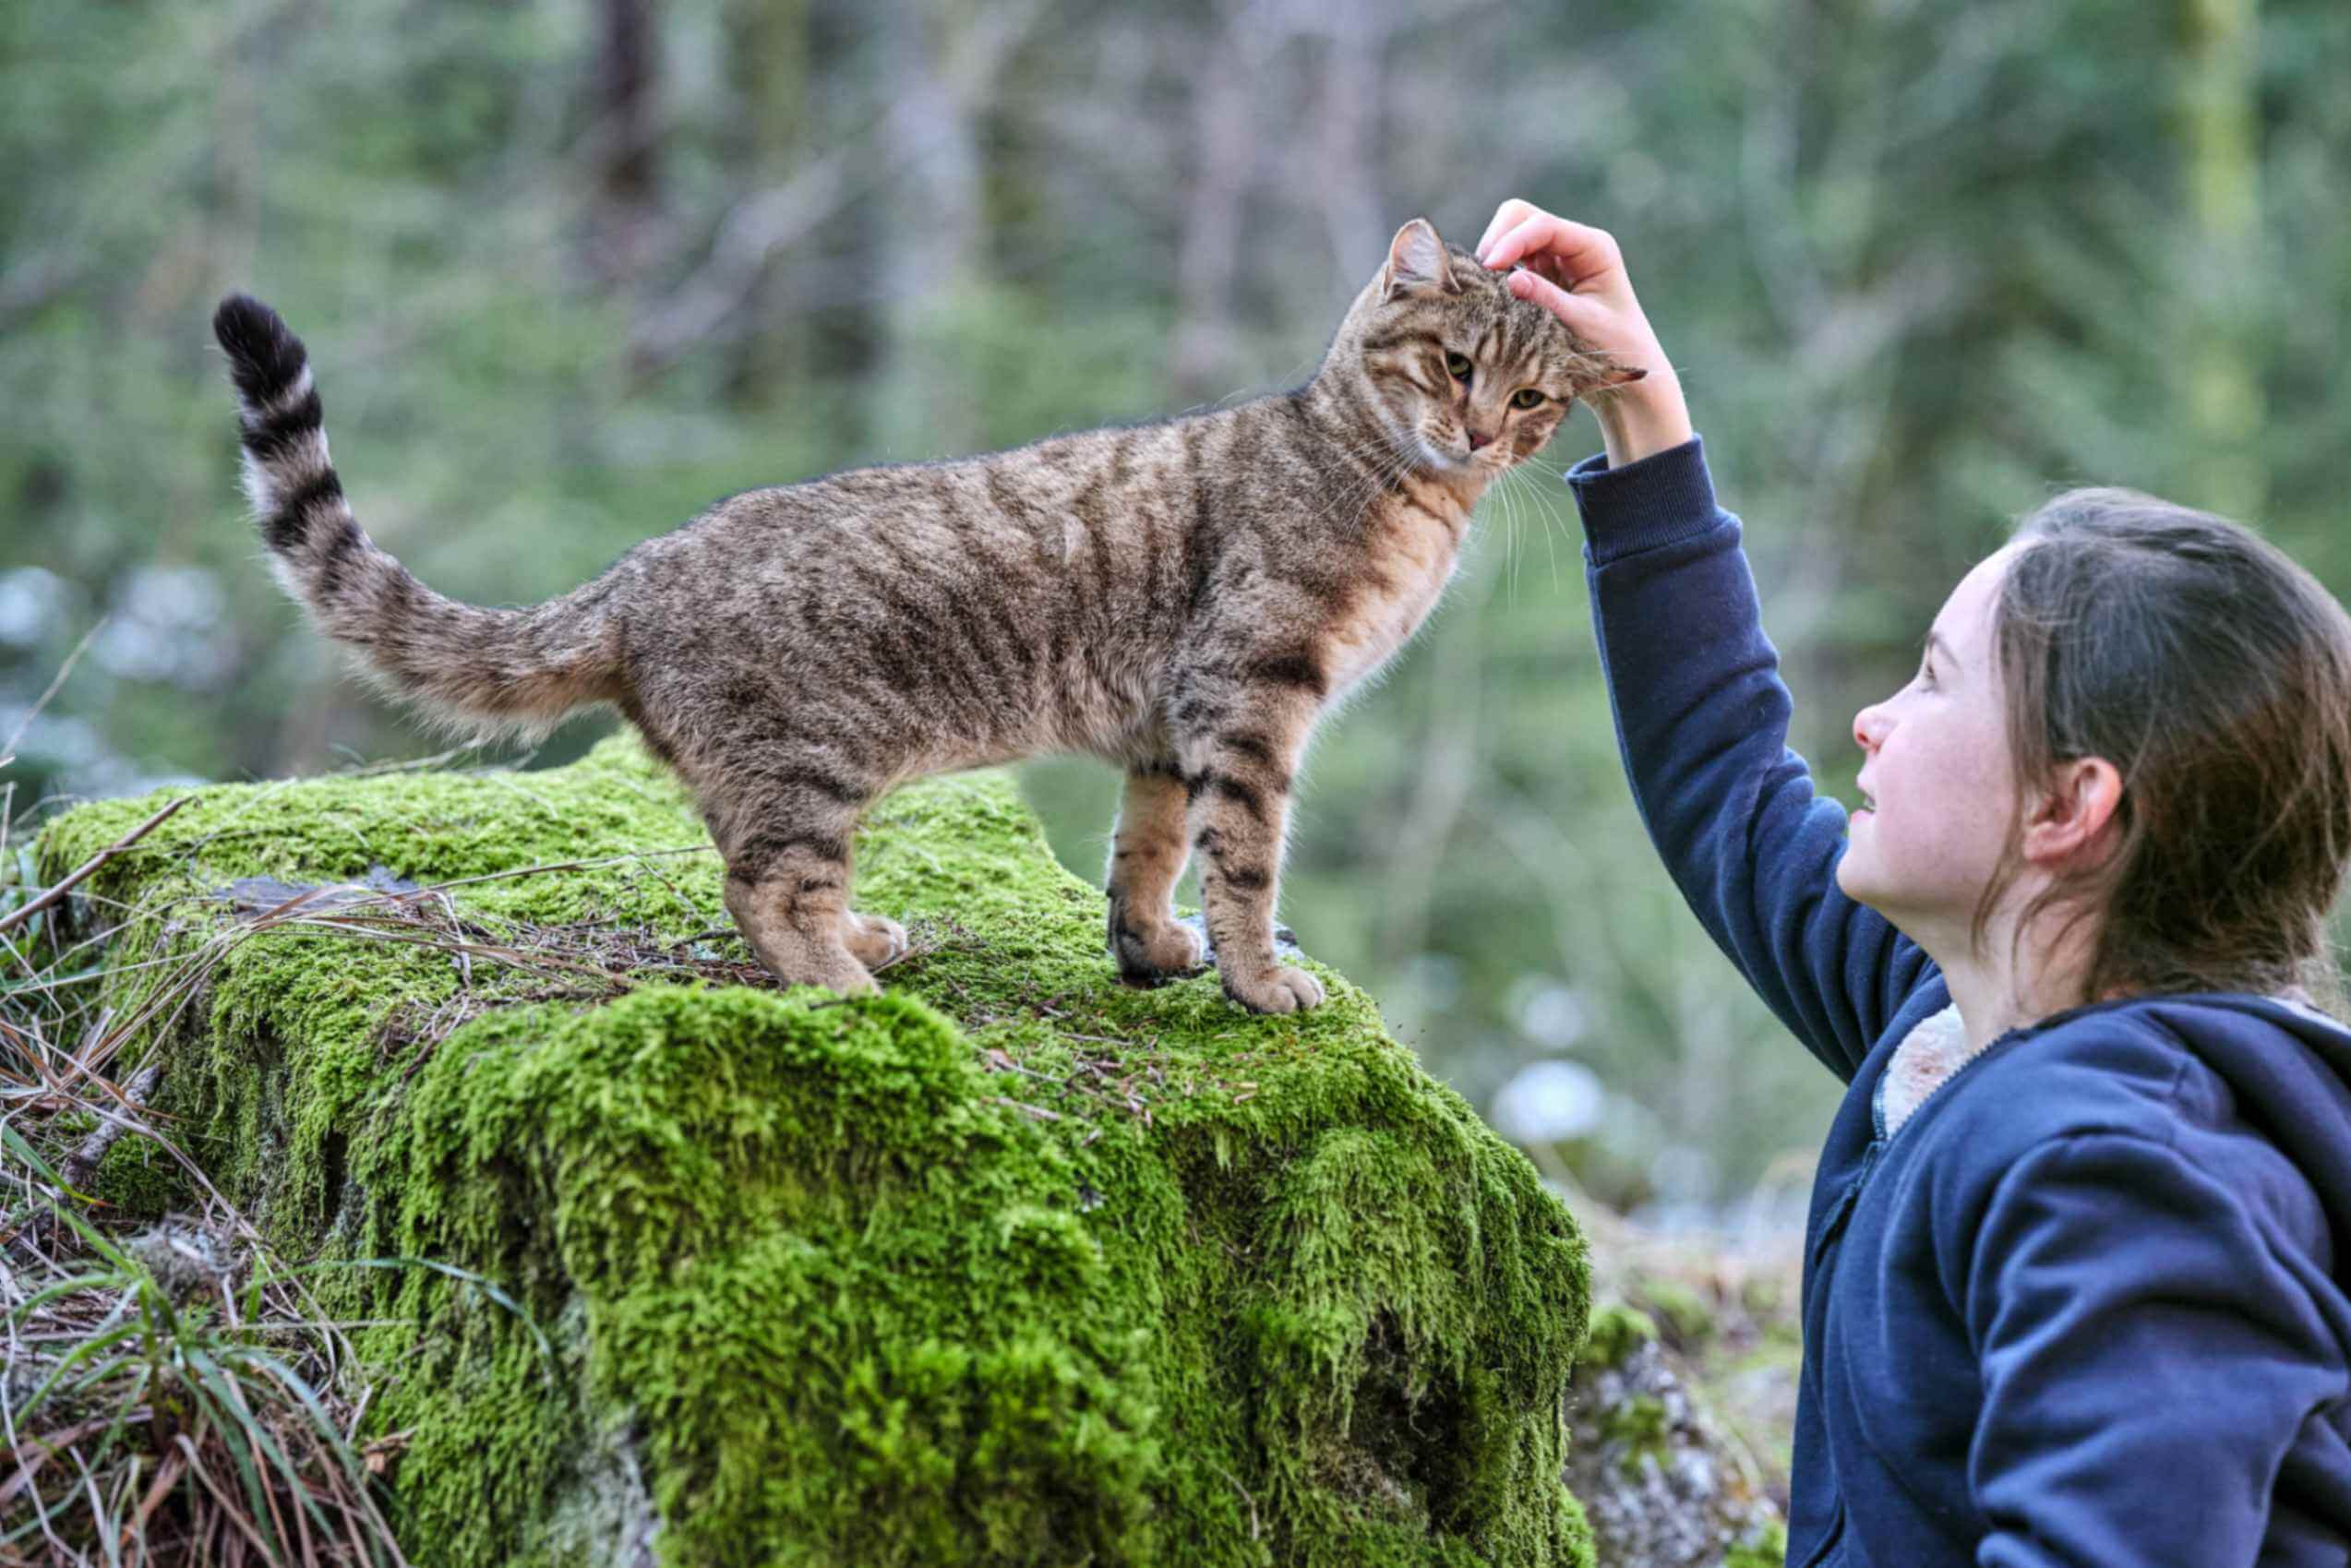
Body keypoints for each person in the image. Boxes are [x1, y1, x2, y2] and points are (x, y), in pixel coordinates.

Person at [1474, 197, 2351, 1566]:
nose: (1875, 719)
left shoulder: (2132, 1174)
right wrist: (1641, 417)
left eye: (1937, 681)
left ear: (2072, 806)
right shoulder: (1962, 1024)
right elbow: (1727, 785)